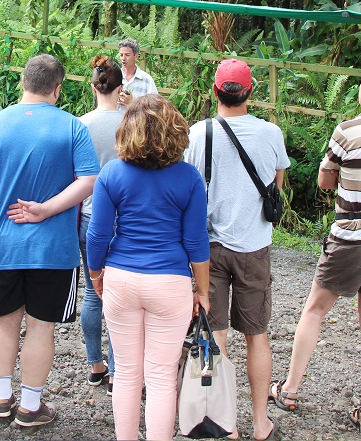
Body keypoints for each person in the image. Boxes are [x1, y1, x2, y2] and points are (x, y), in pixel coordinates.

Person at [274, 62, 361, 441]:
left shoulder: (347, 131)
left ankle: (289, 390)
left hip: (354, 235)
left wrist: (332, 169)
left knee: (315, 310)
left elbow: (325, 181)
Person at [0, 54, 100, 428]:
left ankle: (0, 400)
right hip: (53, 248)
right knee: (41, 326)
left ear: (24, 82)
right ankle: (30, 407)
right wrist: (45, 209)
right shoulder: (72, 127)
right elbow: (88, 180)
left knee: (3, 322)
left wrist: (4, 196)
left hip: (4, 242)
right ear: (57, 88)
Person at [87, 94, 211, 441]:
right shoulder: (189, 178)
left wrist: (96, 274)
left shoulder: (111, 173)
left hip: (122, 278)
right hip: (169, 283)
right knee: (161, 377)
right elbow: (197, 242)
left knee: (125, 373)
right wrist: (202, 291)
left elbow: (98, 235)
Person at [184, 59, 289, 441]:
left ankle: (225, 423)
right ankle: (261, 423)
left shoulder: (198, 133)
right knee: (257, 334)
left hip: (208, 247)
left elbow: (190, 185)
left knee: (217, 333)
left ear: (216, 91)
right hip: (254, 247)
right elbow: (276, 183)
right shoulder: (270, 133)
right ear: (250, 92)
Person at [77, 55, 124, 393]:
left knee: (92, 294)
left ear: (93, 87)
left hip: (88, 216)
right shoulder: (132, 123)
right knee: (121, 295)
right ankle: (119, 372)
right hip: (124, 219)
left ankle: (96, 365)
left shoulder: (80, 124)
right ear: (121, 89)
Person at [116, 38, 157, 110]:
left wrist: (132, 102)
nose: (123, 58)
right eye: (121, 55)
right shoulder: (114, 76)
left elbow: (155, 106)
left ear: (136, 56)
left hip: (138, 120)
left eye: (127, 55)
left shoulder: (146, 80)